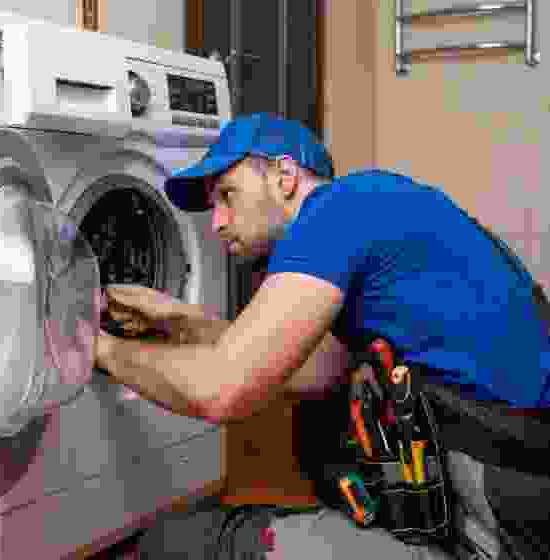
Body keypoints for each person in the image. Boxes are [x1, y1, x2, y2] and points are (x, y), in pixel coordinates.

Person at [95, 113, 550, 558]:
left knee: (179, 544)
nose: (217, 222)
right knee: (321, 437)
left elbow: (220, 391)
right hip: (517, 499)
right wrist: (178, 320)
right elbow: (311, 371)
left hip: (497, 520)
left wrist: (95, 346)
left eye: (227, 195)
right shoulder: (375, 206)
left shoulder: (336, 211)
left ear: (284, 176)